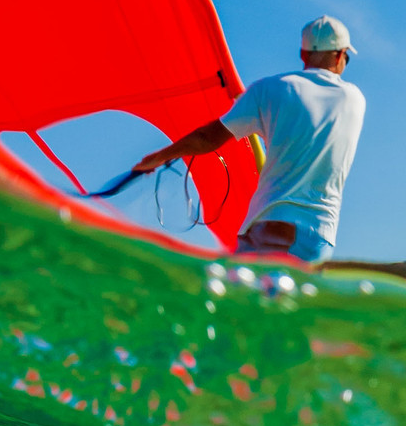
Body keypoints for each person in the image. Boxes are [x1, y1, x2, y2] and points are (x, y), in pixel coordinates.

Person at [130, 15, 366, 263]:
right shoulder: (355, 100)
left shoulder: (268, 90)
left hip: (269, 222)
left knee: (239, 298)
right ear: (339, 56)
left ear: (303, 54)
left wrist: (158, 157)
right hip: (319, 235)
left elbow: (207, 138)